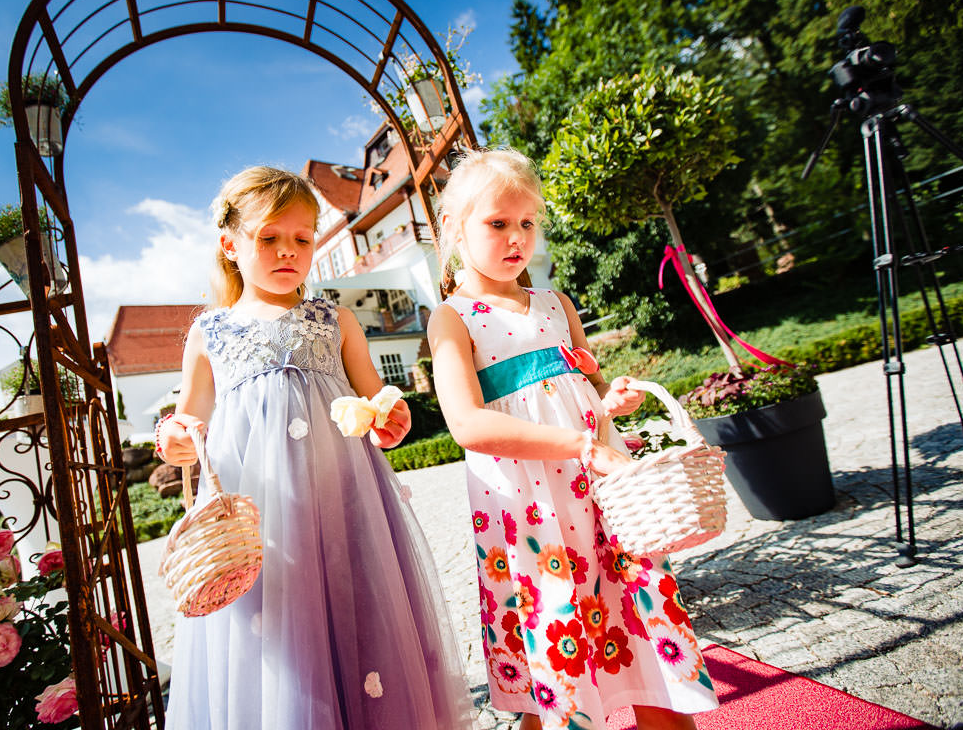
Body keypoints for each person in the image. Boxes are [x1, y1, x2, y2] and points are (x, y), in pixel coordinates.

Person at [157, 166, 472, 730]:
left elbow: (375, 396)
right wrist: (175, 437)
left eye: (302, 239)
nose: (288, 251)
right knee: (279, 636)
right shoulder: (211, 331)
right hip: (259, 521)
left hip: (343, 499)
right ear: (230, 244)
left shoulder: (336, 319)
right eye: (268, 237)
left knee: (358, 614)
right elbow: (190, 416)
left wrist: (389, 415)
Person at [427, 149, 718, 730]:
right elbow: (468, 424)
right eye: (497, 223)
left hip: (602, 490)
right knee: (554, 628)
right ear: (456, 229)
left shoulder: (556, 304)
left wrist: (610, 402)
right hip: (528, 504)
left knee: (633, 613)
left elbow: (588, 385)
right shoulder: (453, 319)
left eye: (527, 223)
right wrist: (582, 446)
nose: (517, 238)